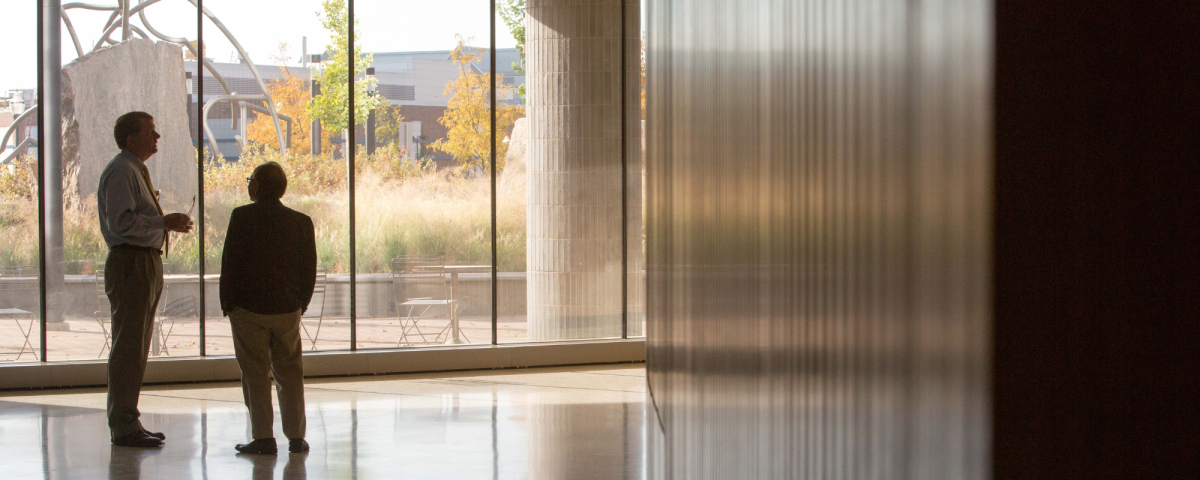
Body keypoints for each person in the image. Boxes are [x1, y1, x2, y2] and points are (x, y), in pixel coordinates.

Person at [98, 111, 193, 448]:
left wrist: (163, 224)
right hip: (131, 262)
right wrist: (163, 223)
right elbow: (122, 223)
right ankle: (123, 425)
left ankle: (128, 420)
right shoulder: (123, 170)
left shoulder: (134, 169)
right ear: (130, 139)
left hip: (142, 261)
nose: (158, 137)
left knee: (136, 346)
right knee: (129, 347)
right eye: (150, 132)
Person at [220, 162, 317, 455]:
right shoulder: (301, 221)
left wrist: (229, 304)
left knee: (255, 373)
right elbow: (308, 267)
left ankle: (263, 437)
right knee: (290, 371)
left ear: (257, 187)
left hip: (248, 309)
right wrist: (302, 302)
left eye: (251, 180)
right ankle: (296, 437)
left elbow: (231, 263)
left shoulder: (242, 217)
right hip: (287, 309)